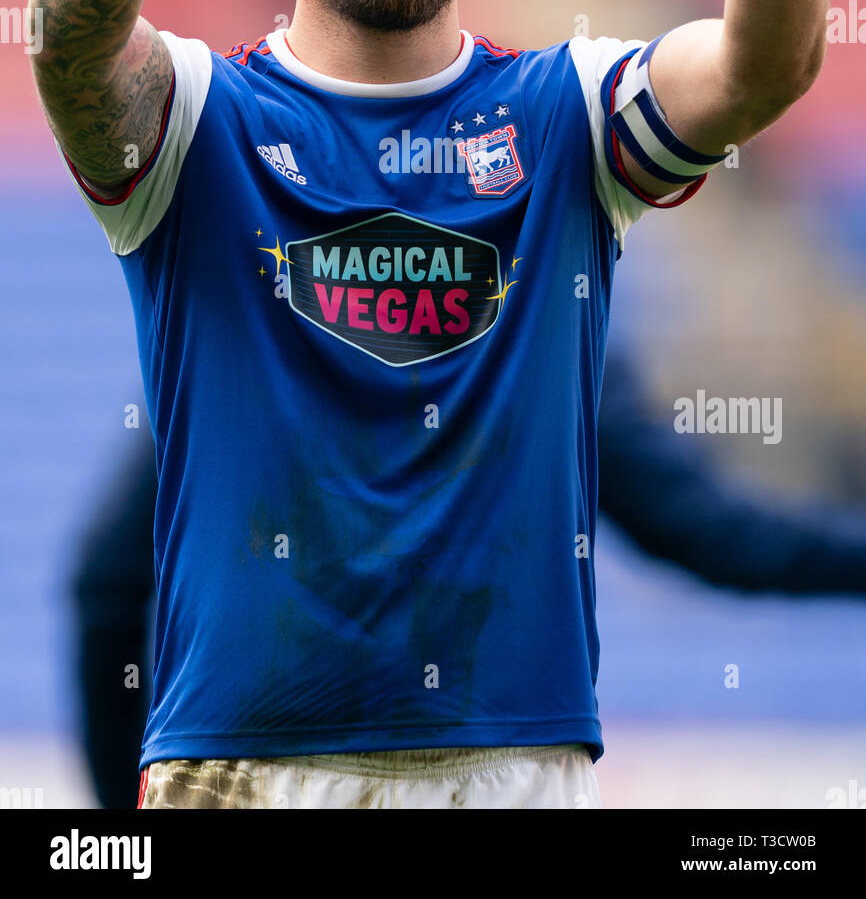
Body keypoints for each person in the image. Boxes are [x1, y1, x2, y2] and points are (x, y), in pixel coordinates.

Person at [30, 0, 834, 808]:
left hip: (513, 769)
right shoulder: (202, 128)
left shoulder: (566, 117)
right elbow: (68, 38)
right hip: (245, 773)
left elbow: (764, 62)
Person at [70, 346, 866, 809]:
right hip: (489, 770)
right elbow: (713, 535)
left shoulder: (250, 325)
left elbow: (104, 584)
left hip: (262, 769)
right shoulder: (544, 319)